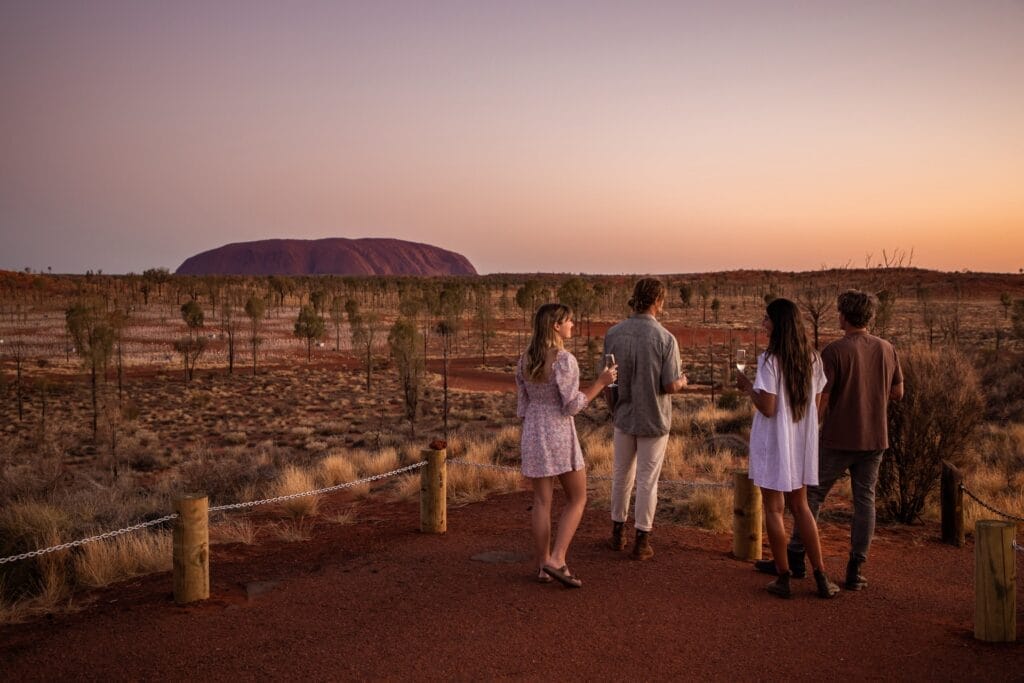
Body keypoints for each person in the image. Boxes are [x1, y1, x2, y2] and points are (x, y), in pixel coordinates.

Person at [781, 290, 904, 591]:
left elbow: (821, 400)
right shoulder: (887, 349)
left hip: (838, 438)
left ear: (844, 316)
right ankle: (856, 567)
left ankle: (797, 555)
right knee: (865, 501)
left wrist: (811, 428)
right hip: (875, 438)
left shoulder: (834, 351)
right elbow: (898, 393)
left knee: (812, 495)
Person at [736, 298, 840, 598]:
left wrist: (748, 388)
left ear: (778, 323)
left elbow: (768, 407)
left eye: (766, 319)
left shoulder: (770, 361)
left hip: (774, 443)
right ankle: (821, 575)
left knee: (774, 509)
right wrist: (805, 427)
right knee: (802, 506)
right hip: (800, 443)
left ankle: (783, 576)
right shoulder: (813, 359)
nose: (762, 324)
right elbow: (820, 401)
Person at [516, 302, 617, 588]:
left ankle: (542, 566)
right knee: (578, 497)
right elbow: (572, 406)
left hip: (533, 431)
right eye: (569, 321)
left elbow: (522, 406)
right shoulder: (563, 360)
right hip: (558, 431)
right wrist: (601, 382)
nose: (573, 324)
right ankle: (557, 559)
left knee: (541, 502)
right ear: (555, 326)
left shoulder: (525, 359)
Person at [603, 278, 687, 560]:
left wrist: (613, 408)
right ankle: (642, 540)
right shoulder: (666, 339)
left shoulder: (613, 334)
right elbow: (669, 385)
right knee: (647, 480)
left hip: (624, 414)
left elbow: (609, 382)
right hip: (654, 418)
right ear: (658, 301)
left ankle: (617, 533)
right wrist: (683, 382)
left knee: (621, 475)